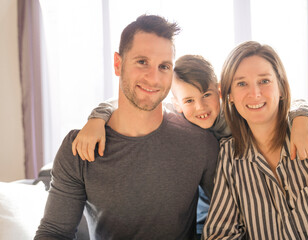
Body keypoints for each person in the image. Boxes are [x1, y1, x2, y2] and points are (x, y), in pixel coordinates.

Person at [71, 54, 308, 238]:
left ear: (221, 92)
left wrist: (301, 120)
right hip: (206, 199)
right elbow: (122, 104)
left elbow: (289, 101)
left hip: (245, 190)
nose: (200, 107)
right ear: (176, 103)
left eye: (206, 96)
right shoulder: (174, 114)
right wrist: (96, 119)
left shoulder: (237, 112)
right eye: (189, 100)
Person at [35, 15, 220, 240]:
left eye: (164, 66)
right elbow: (54, 233)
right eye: (142, 62)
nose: (153, 78)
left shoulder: (200, 142)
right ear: (118, 64)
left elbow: (232, 219)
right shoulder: (79, 149)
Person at [202, 41, 308, 239]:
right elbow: (219, 234)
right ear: (229, 95)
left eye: (264, 81)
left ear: (282, 88)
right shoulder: (229, 155)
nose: (255, 94)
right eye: (241, 83)